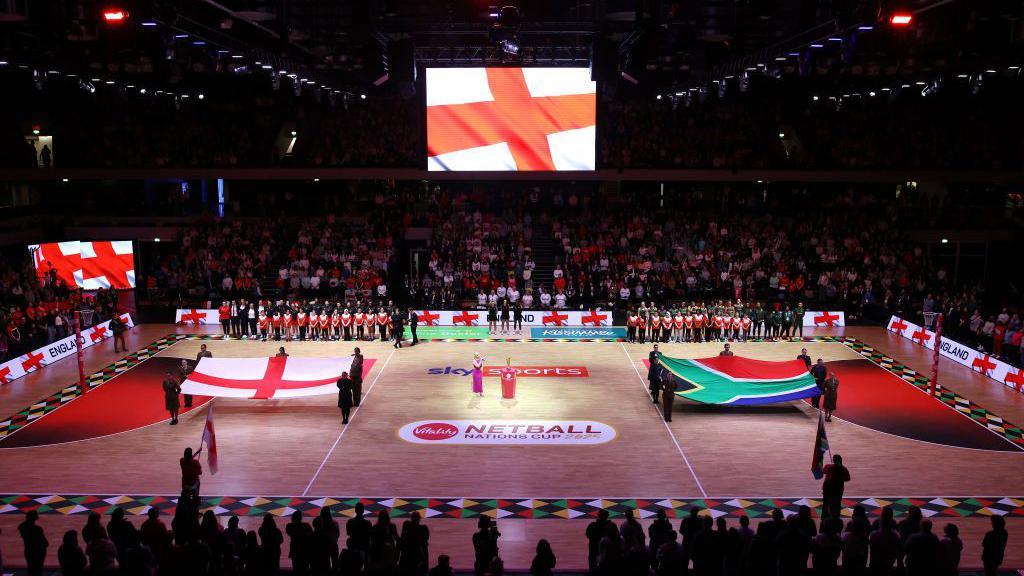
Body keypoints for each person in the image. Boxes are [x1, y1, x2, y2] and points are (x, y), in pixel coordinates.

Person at [399, 511, 430, 576]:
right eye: (415, 517)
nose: (416, 519)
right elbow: (425, 543)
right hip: (414, 554)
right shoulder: (422, 528)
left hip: (409, 554)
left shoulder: (407, 525)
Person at [18, 510, 48, 576]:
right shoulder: (38, 529)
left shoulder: (22, 527)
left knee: (31, 568)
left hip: (28, 550)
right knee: (38, 569)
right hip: (38, 551)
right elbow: (45, 542)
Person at [821, 454, 850, 520]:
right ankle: (836, 518)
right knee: (837, 504)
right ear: (840, 460)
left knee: (826, 503)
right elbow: (848, 478)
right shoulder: (844, 469)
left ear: (833, 460)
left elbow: (823, 471)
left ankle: (824, 518)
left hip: (828, 489)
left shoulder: (828, 466)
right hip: (838, 489)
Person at [286, 510, 313, 574]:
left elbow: (290, 533)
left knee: (296, 568)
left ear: (292, 517)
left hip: (295, 550)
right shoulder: (306, 525)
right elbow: (311, 535)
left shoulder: (289, 526)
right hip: (305, 550)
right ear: (301, 517)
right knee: (305, 569)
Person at [189, 344, 213, 409]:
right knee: (202, 380)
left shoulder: (208, 353)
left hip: (207, 369)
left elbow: (211, 360)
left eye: (203, 348)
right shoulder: (199, 354)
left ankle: (209, 389)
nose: (202, 349)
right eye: (201, 348)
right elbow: (197, 361)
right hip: (201, 369)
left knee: (208, 380)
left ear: (205, 348)